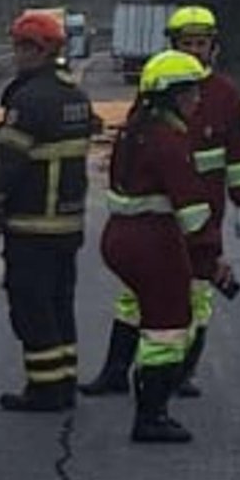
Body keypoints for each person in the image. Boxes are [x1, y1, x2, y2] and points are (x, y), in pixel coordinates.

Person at [93, 50, 223, 443]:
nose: (197, 101)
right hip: (152, 242)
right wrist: (210, 258)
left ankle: (141, 396)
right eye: (191, 93)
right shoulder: (171, 140)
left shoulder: (134, 130)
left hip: (120, 237)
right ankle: (151, 416)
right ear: (173, 96)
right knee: (167, 326)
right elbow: (192, 210)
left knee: (149, 316)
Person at [0, 8, 94, 412]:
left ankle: (45, 388)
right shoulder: (74, 96)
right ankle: (64, 380)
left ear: (39, 49)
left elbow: (9, 164)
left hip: (32, 226)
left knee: (31, 307)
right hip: (68, 226)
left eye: (23, 47)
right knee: (60, 303)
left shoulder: (29, 100)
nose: (17, 54)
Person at [162, 5, 240, 399]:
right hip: (161, 208)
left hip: (207, 209)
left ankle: (185, 370)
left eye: (201, 44)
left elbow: (239, 152)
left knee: (198, 291)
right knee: (146, 293)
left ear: (213, 47)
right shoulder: (160, 86)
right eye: (187, 44)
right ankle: (127, 367)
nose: (194, 52)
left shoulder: (225, 95)